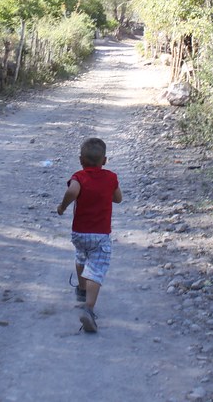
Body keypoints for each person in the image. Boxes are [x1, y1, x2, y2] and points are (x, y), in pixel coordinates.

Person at [56, 137, 123, 333]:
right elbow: (118, 199)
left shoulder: (79, 177)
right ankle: (89, 308)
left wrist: (63, 206)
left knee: (81, 258)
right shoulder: (110, 177)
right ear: (104, 160)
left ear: (80, 160)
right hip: (100, 234)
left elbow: (73, 190)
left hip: (79, 232)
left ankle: (82, 289)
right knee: (96, 268)